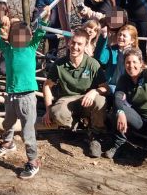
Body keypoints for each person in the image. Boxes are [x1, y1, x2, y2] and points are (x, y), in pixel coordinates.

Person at [0, 6, 50, 179]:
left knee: (27, 131)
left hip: (27, 97)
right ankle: (7, 143)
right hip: (11, 96)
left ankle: (33, 161)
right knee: (7, 123)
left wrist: (45, 17)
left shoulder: (31, 48)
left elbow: (40, 32)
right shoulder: (7, 50)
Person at [42, 29, 109, 158]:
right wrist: (47, 110)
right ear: (68, 43)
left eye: (79, 44)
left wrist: (94, 91)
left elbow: (106, 88)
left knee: (101, 100)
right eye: (73, 43)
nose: (75, 47)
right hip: (67, 100)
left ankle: (95, 135)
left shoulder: (92, 64)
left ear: (85, 46)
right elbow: (47, 86)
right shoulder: (59, 64)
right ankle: (74, 123)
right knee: (56, 113)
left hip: (86, 100)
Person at [96, 22, 138, 91]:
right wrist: (103, 36)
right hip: (109, 86)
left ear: (132, 40)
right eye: (119, 35)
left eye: (124, 36)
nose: (120, 37)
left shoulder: (135, 54)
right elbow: (102, 59)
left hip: (125, 89)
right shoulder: (112, 49)